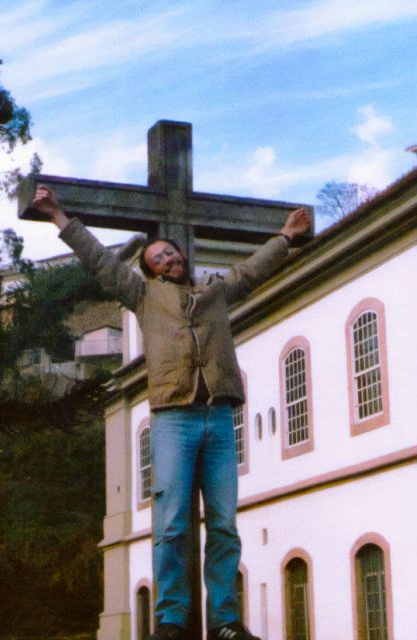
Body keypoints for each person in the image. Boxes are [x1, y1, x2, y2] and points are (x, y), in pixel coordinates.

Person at [33, 186, 310, 640]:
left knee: (223, 523)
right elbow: (100, 260)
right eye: (158, 258)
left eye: (171, 254)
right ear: (149, 270)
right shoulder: (143, 297)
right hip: (173, 420)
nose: (167, 260)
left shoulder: (216, 293)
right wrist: (59, 216)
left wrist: (285, 236)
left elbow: (252, 270)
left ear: (183, 258)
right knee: (172, 523)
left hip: (219, 417)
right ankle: (171, 619)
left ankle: (224, 620)